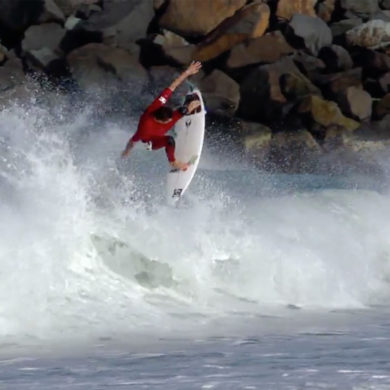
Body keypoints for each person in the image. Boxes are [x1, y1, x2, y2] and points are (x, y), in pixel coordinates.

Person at [121, 61, 202, 171]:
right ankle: (173, 162)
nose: (170, 121)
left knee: (182, 110)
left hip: (163, 123)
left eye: (169, 119)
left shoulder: (158, 104)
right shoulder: (145, 128)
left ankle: (189, 109)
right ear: (158, 120)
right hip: (154, 141)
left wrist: (188, 72)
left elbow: (172, 86)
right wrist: (127, 151)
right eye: (167, 121)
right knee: (170, 140)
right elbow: (133, 140)